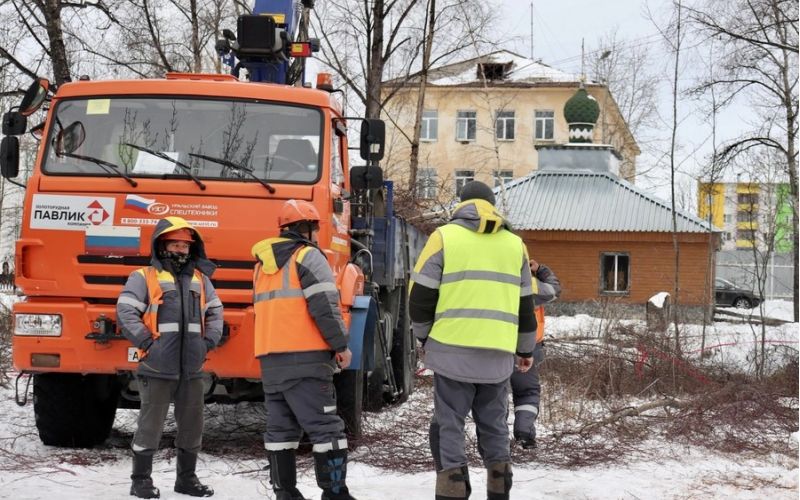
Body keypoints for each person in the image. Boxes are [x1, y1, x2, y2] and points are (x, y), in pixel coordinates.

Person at [409, 181, 537, 500]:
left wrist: (425, 337)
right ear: (492, 205)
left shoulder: (444, 237)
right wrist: (525, 349)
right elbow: (525, 304)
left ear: (460, 205)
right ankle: (499, 492)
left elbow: (420, 297)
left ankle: (451, 492)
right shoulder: (514, 244)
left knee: (449, 425)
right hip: (497, 356)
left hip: (451, 352)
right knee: (495, 425)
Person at [251, 199, 356, 500]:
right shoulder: (309, 257)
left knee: (281, 431)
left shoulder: (262, 265)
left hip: (270, 359)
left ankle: (285, 493)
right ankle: (336, 494)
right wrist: (341, 346)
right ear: (307, 229)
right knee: (327, 429)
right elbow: (324, 307)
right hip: (306, 358)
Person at [117, 216, 223, 499]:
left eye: (185, 245)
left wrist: (208, 342)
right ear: (162, 246)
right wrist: (147, 342)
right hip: (156, 366)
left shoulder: (201, 279)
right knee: (149, 426)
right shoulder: (143, 276)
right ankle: (141, 481)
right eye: (175, 244)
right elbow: (125, 311)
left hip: (192, 367)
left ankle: (186, 480)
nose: (181, 249)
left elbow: (215, 312)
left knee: (193, 426)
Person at [511, 258, 561, 449]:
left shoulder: (487, 285)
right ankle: (524, 434)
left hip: (495, 345)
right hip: (529, 347)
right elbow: (554, 289)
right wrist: (540, 269)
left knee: (495, 394)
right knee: (526, 393)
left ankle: (495, 440)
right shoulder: (530, 286)